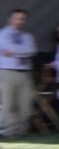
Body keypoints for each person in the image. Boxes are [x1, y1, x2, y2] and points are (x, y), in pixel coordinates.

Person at [0, 9, 36, 137]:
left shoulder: (27, 36)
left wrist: (14, 52)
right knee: (8, 103)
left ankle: (22, 130)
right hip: (7, 71)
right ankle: (9, 131)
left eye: (23, 19)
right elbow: (7, 46)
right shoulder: (3, 34)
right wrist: (21, 51)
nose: (21, 21)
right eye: (18, 18)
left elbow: (31, 50)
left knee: (25, 103)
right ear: (10, 19)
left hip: (24, 73)